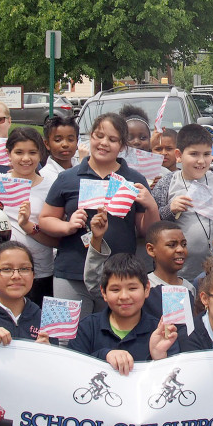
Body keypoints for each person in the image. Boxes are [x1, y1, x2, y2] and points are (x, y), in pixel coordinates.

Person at [40, 113, 159, 314]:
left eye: (112, 140)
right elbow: (45, 219)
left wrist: (151, 206)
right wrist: (66, 226)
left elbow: (146, 230)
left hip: (118, 277)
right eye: (99, 136)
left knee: (112, 335)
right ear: (90, 137)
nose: (104, 143)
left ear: (122, 146)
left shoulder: (133, 179)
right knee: (66, 338)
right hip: (71, 271)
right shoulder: (67, 178)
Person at [154, 124, 213, 280]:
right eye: (194, 154)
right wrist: (170, 209)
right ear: (179, 155)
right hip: (180, 275)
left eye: (207, 154)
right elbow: (152, 227)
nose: (201, 161)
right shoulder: (167, 184)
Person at [70, 253, 179, 374]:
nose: (124, 296)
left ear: (147, 289)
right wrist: (104, 355)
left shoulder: (161, 333)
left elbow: (175, 380)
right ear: (104, 292)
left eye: (132, 288)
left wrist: (159, 358)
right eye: (115, 290)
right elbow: (72, 371)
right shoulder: (87, 328)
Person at [1, 128, 58, 306]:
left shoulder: (53, 186)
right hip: (4, 273)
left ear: (41, 154)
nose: (26, 158)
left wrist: (28, 226)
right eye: (19, 152)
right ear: (8, 154)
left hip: (41, 271)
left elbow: (58, 240)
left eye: (32, 152)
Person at [145, 220, 196, 292]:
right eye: (172, 245)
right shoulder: (144, 286)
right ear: (151, 250)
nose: (180, 249)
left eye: (184, 244)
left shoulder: (189, 289)